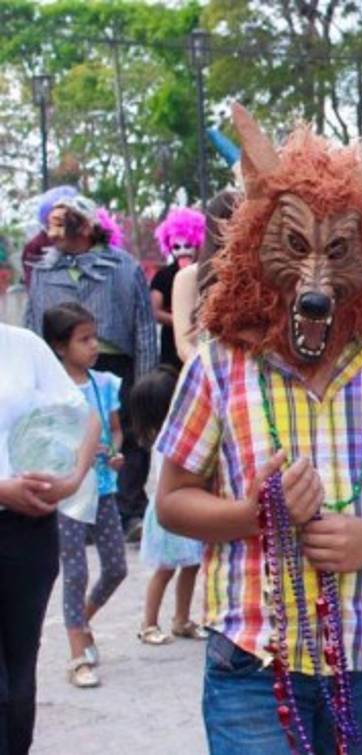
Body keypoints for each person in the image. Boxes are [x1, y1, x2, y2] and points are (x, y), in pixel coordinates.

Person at [155, 104, 362, 753]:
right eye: (294, 246)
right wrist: (254, 512)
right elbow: (172, 500)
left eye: (338, 250)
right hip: (251, 661)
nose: (315, 281)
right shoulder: (219, 366)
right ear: (256, 244)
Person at [24, 193, 158, 538]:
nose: (51, 229)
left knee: (125, 434)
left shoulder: (124, 266)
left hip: (116, 363)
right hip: (61, 365)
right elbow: (31, 324)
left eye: (61, 220)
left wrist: (144, 378)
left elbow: (143, 324)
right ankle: (76, 514)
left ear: (84, 225)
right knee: (69, 435)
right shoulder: (43, 271)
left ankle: (128, 511)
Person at [0, 322, 99, 753]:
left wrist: (72, 478)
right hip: (12, 503)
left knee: (20, 678)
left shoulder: (22, 347)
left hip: (28, 532)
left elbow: (85, 416)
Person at [40, 303, 128, 689]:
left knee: (116, 568)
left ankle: (83, 620)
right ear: (60, 347)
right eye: (84, 340)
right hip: (70, 494)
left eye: (95, 337)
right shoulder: (49, 391)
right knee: (75, 569)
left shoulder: (105, 384)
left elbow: (115, 430)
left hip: (105, 490)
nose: (94, 346)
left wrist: (115, 453)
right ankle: (77, 654)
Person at [132, 366, 207, 645]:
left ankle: (181, 619)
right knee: (165, 569)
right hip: (168, 513)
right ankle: (148, 623)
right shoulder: (166, 441)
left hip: (186, 509)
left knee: (192, 565)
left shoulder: (179, 433)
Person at [171, 191, 238, 364]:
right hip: (206, 377)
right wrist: (212, 372)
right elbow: (183, 345)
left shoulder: (258, 277)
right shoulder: (188, 277)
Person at [150, 208, 207, 371]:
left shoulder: (206, 272)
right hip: (172, 344)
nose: (182, 250)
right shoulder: (163, 275)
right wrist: (180, 321)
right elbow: (154, 310)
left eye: (188, 245)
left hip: (201, 341)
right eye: (176, 246)